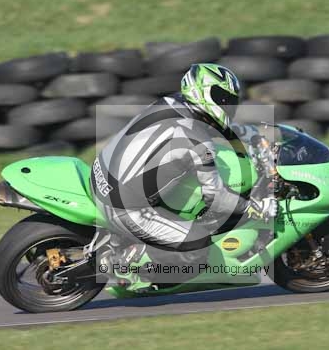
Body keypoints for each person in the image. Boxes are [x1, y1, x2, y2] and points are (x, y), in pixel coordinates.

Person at [90, 63, 277, 291]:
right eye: (222, 98)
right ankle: (128, 266)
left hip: (102, 173)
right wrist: (253, 208)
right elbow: (215, 197)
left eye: (230, 100)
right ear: (203, 93)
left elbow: (213, 126)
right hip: (125, 207)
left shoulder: (172, 102)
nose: (227, 105)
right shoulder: (198, 142)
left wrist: (250, 134)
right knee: (197, 247)